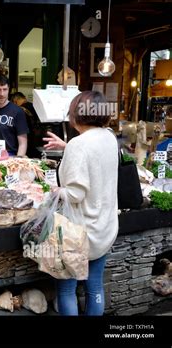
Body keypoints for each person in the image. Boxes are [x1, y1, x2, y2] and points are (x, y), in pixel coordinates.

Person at [43, 91, 118, 316]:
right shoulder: (109, 137)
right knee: (94, 285)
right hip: (104, 228)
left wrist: (55, 190)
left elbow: (74, 193)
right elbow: (94, 159)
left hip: (79, 232)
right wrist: (68, 147)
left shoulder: (79, 145)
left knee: (67, 289)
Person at [12, 92, 42, 158]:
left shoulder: (19, 110)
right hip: (36, 139)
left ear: (15, 100)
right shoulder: (34, 106)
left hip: (25, 139)